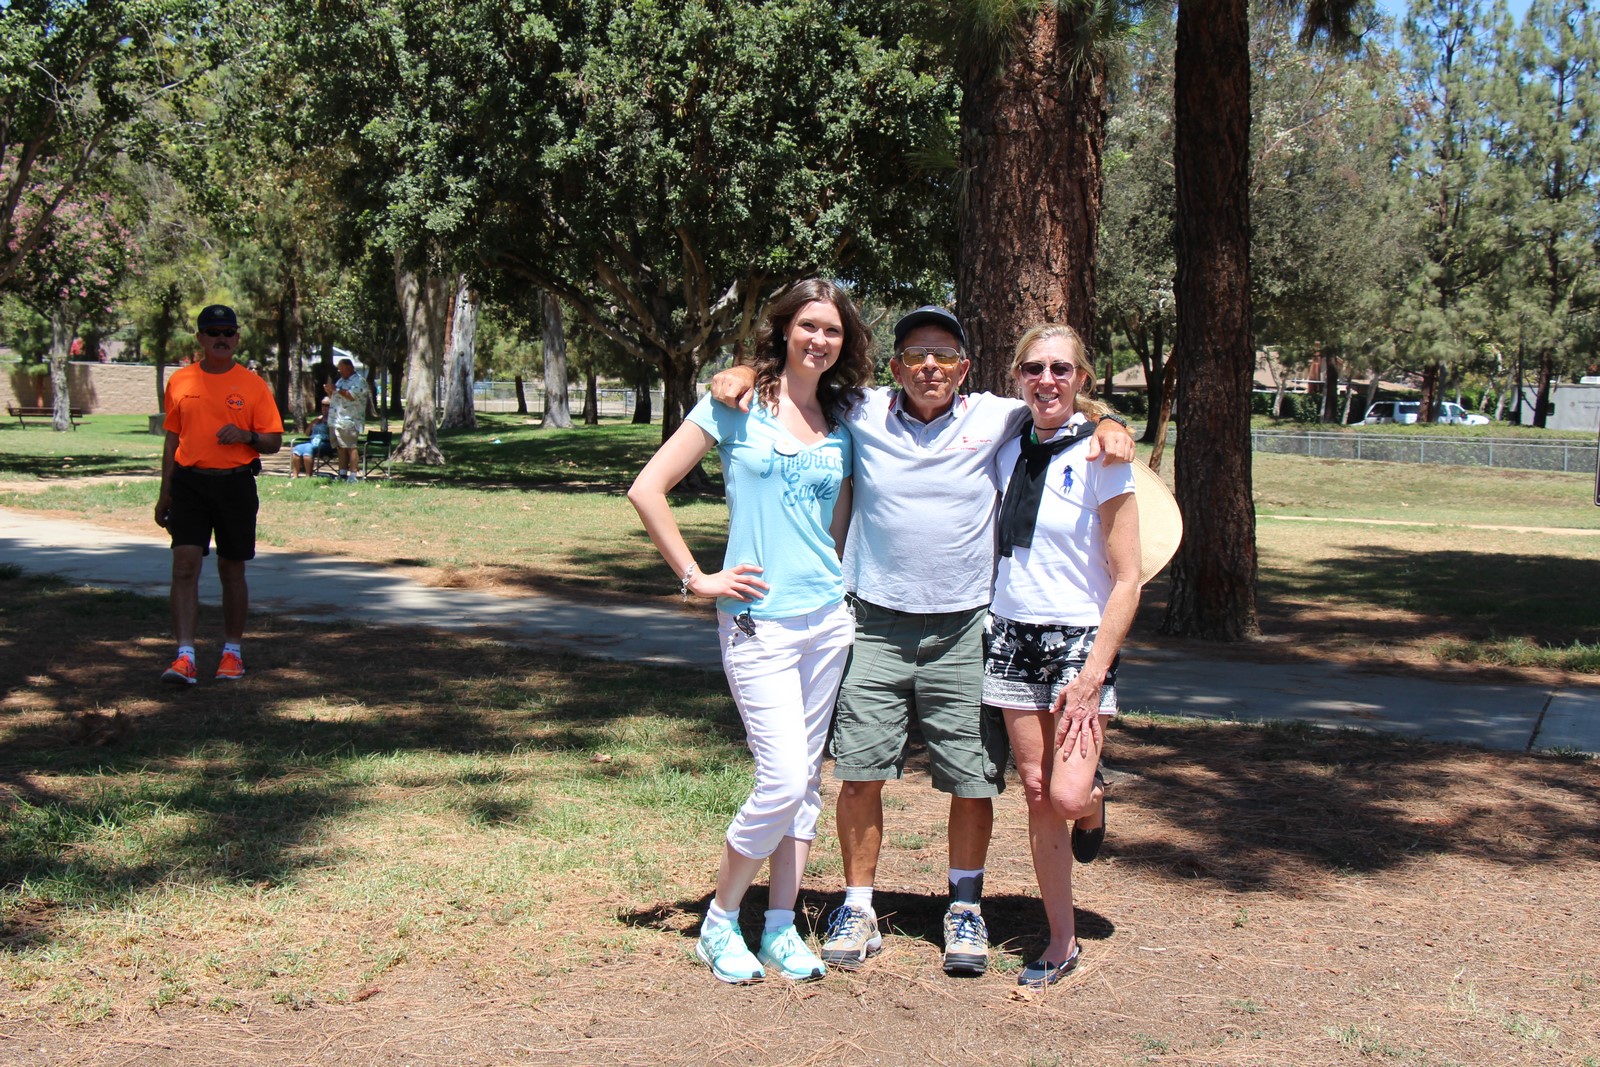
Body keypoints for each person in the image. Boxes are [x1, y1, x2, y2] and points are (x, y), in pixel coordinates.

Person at [711, 306, 1134, 976]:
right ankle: (856, 903)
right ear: (896, 366)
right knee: (859, 769)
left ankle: (964, 904)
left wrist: (1113, 422)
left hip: (967, 626)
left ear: (965, 368)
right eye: (915, 355)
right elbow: (796, 378)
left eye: (944, 355)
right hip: (874, 621)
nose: (929, 366)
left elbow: (1068, 407)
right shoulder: (862, 408)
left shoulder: (999, 414)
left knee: (971, 778)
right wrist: (742, 370)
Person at [628, 279, 870, 984]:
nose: (820, 340)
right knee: (782, 774)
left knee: (805, 786)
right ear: (784, 330)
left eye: (833, 330)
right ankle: (720, 919)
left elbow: (839, 527)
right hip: (757, 622)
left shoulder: (842, 422)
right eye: (809, 326)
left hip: (827, 622)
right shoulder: (734, 404)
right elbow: (648, 487)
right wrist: (697, 578)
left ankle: (780, 926)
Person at [986, 324, 1141, 987]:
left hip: (1080, 642)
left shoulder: (1106, 457)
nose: (1046, 379)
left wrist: (1094, 672)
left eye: (1060, 368)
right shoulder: (1005, 444)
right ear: (1017, 375)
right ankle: (1060, 939)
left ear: (1082, 377)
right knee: (1038, 790)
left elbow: (1128, 577)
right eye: (1033, 368)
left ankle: (1097, 797)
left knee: (1071, 791)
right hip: (1011, 634)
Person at [155, 304, 283, 684]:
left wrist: (246, 436)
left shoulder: (253, 385)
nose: (221, 338)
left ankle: (232, 652)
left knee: (231, 568)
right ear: (200, 338)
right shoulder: (180, 381)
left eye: (228, 332)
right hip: (190, 483)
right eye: (213, 332)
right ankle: (184, 656)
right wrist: (165, 492)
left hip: (235, 483)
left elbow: (274, 441)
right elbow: (172, 438)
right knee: (184, 566)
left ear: (237, 338)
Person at [324, 358, 368, 482]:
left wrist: (336, 389)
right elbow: (335, 396)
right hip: (336, 420)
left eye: (341, 368)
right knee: (341, 447)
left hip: (349, 420)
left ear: (349, 367)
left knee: (350, 447)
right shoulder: (341, 381)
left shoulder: (359, 381)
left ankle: (353, 475)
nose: (339, 370)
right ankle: (342, 475)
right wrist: (330, 391)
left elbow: (351, 396)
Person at [289, 399, 334, 478]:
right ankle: (295, 476)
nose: (324, 407)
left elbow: (335, 435)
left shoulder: (334, 420)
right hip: (313, 442)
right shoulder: (318, 419)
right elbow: (307, 433)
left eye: (327, 405)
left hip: (327, 443)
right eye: (323, 405)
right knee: (297, 448)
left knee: (309, 449)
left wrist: (328, 423)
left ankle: (308, 476)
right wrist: (314, 422)